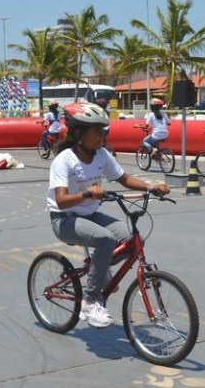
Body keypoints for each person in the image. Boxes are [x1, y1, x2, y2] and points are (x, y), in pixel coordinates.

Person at [47, 102, 170, 328]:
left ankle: (99, 267)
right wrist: (87, 193)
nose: (101, 136)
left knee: (133, 241)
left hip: (90, 215)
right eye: (95, 131)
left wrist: (151, 186)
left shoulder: (101, 154)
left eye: (103, 130)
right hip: (63, 219)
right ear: (78, 133)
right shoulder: (64, 160)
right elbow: (61, 200)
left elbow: (123, 179)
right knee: (105, 239)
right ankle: (91, 301)